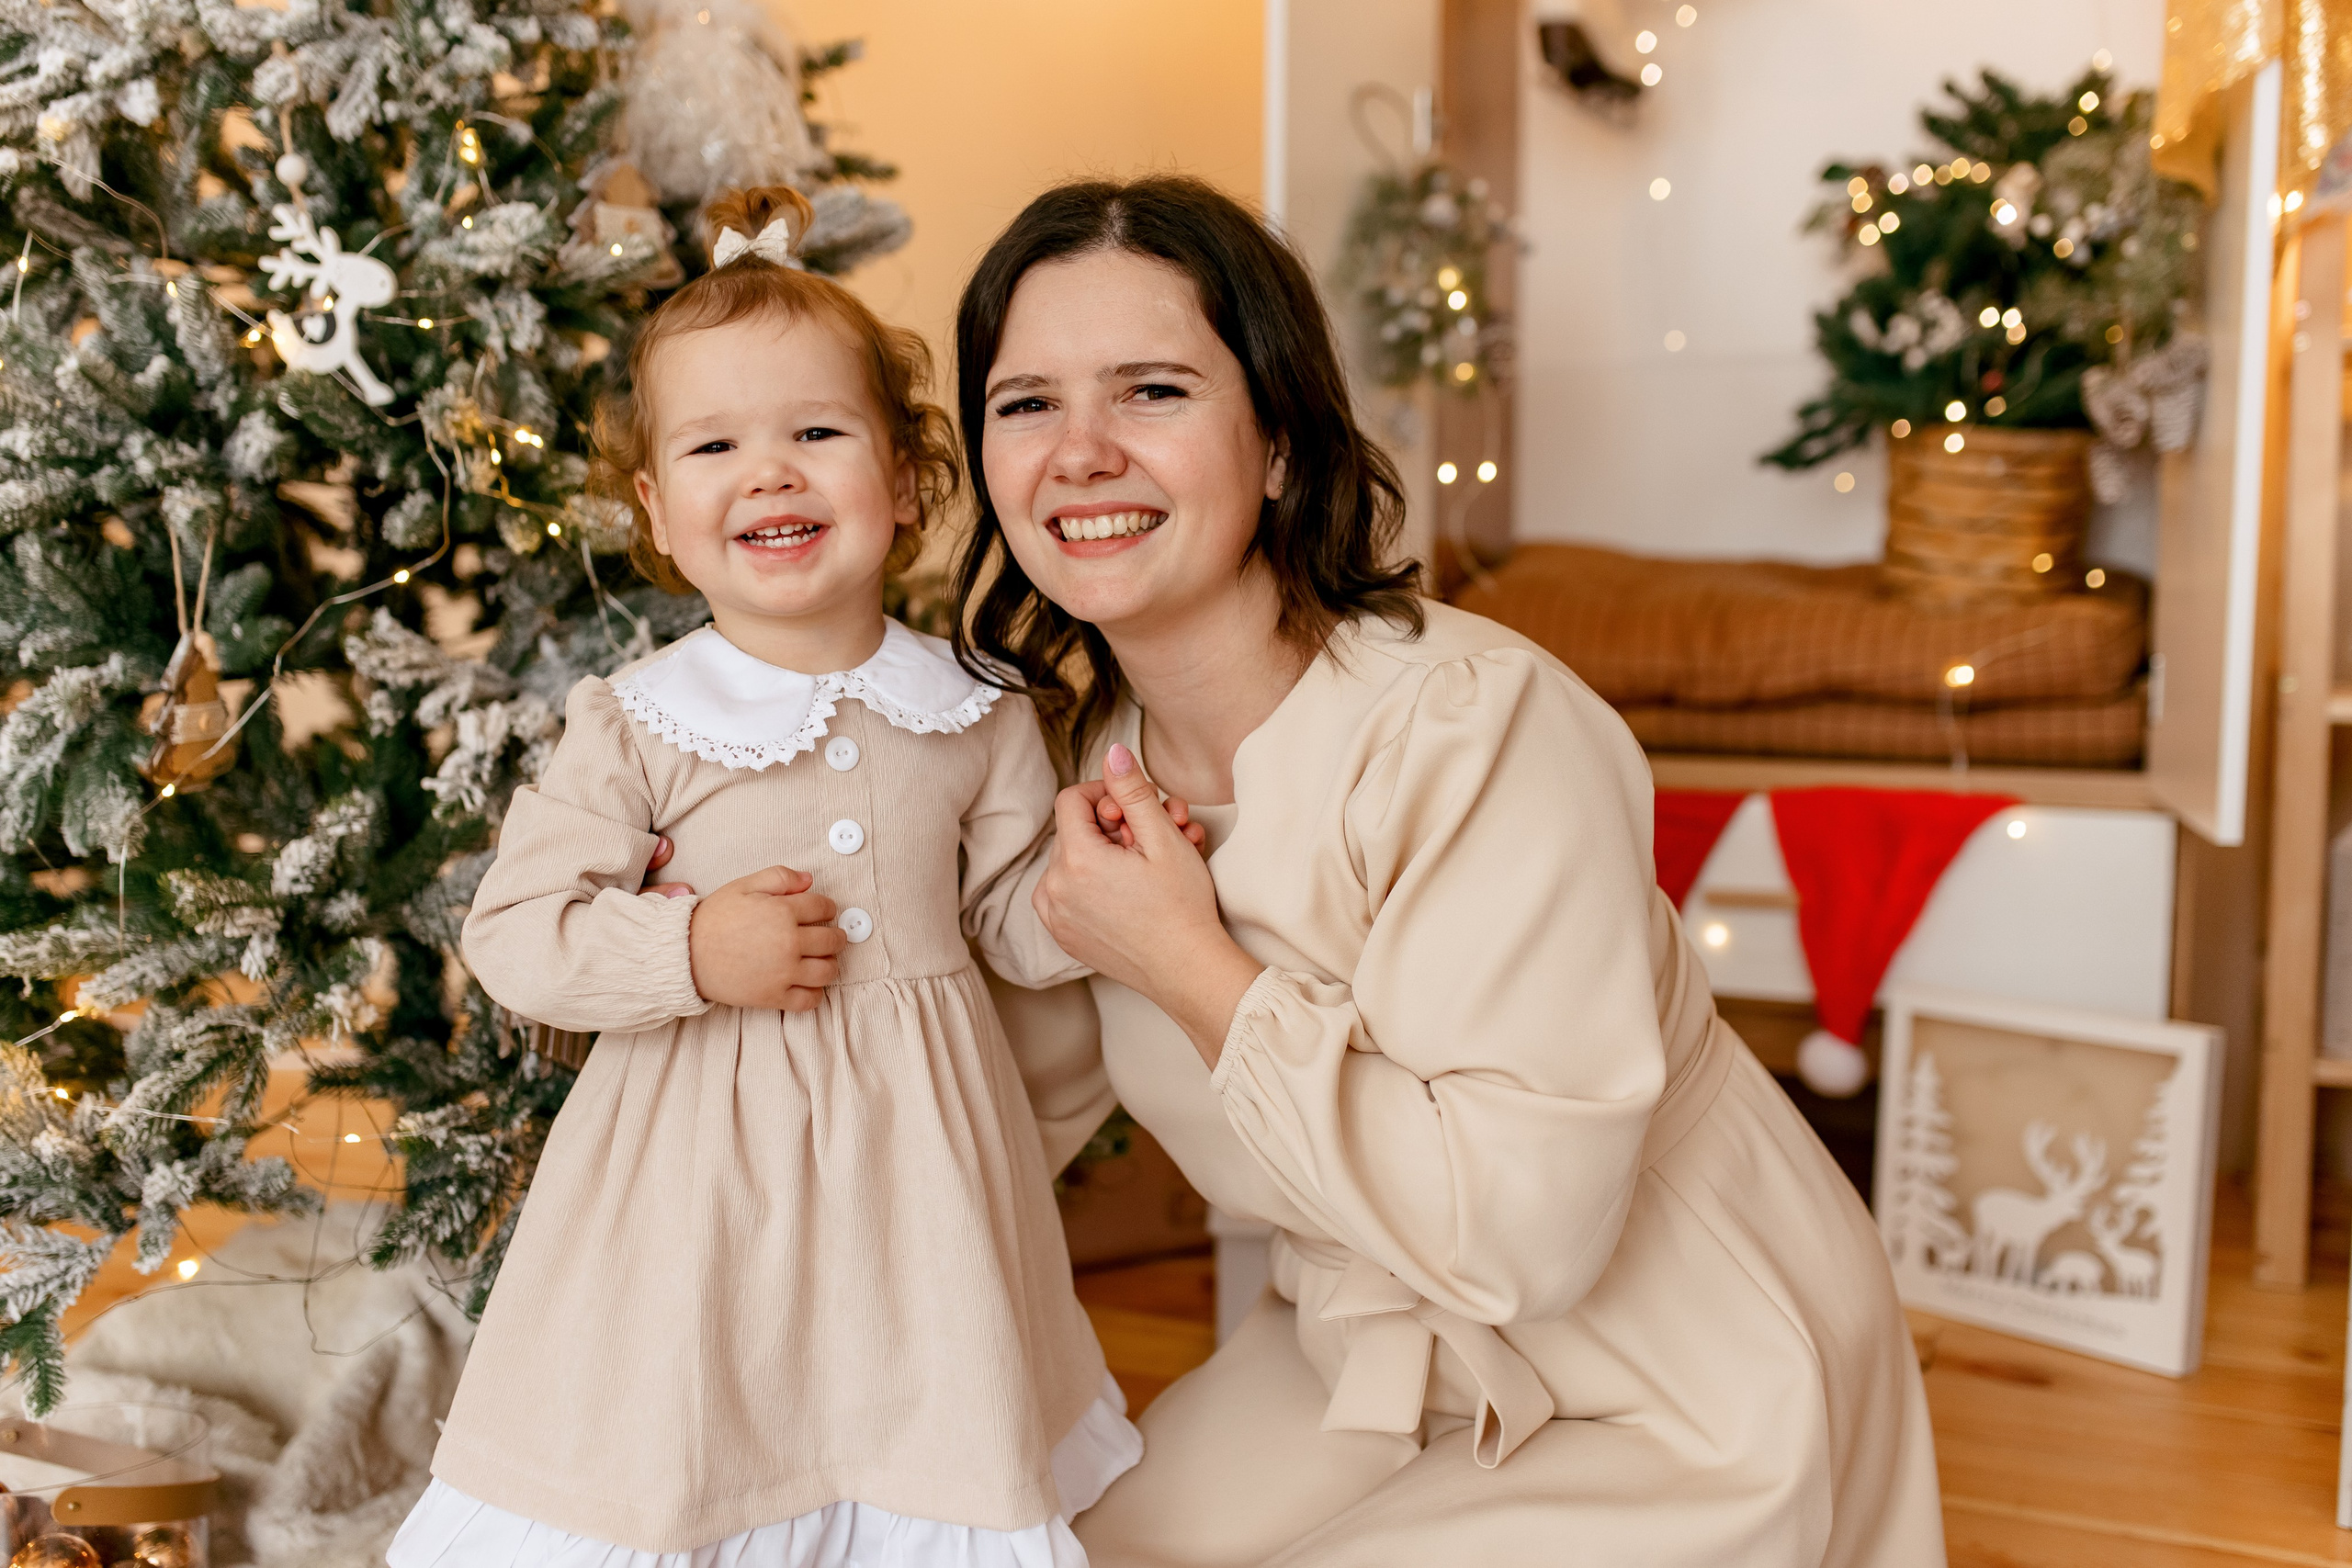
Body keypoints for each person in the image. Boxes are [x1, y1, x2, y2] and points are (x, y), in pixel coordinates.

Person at [947, 175, 1948, 1566]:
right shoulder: (1078, 762)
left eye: (1153, 392)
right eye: (1028, 402)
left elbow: (1527, 1237)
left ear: (1283, 443)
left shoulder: (1478, 729)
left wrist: (1187, 961)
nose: (1082, 452)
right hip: (1360, 1356)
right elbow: (989, 1112)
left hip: (1675, 1379)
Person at [390, 184, 1170, 1568]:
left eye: (818, 433)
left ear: (910, 479)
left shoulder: (973, 706)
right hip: (698, 1189)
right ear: (658, 508)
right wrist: (683, 958)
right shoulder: (637, 721)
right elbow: (516, 931)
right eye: (715, 447)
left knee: (917, 1430)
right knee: (700, 1443)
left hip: (920, 1183)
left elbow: (1007, 920)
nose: (771, 474)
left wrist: (1099, 881)